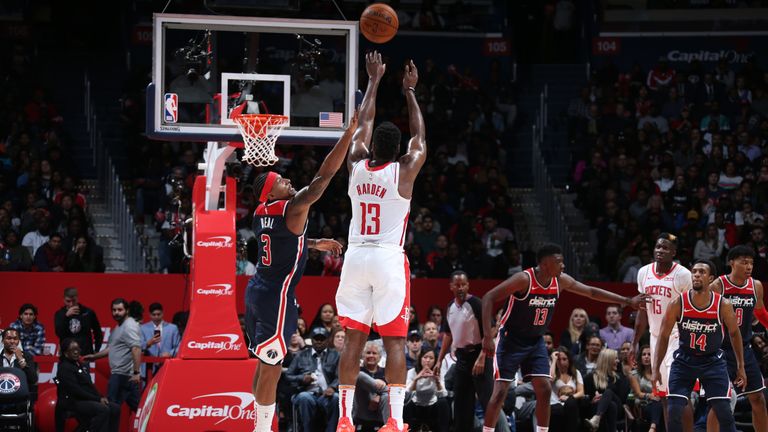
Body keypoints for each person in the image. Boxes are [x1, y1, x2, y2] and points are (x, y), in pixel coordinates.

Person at [245, 110, 356, 432]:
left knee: (263, 361)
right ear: (271, 193)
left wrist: (314, 243)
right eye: (281, 182)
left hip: (257, 290)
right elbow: (324, 177)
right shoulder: (293, 207)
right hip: (277, 297)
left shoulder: (260, 212)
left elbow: (283, 241)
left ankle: (257, 424)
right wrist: (347, 136)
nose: (288, 181)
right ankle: (262, 430)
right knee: (272, 365)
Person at [335, 52, 426, 432]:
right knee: (394, 342)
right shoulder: (404, 170)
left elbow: (362, 124)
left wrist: (373, 81)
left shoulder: (356, 164)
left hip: (356, 256)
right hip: (388, 259)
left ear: (373, 146)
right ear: (398, 149)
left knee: (353, 340)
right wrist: (409, 91)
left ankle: (344, 419)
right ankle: (395, 421)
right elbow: (420, 138)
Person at [480, 243, 648, 432]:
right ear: (545, 264)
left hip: (535, 340)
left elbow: (591, 292)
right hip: (511, 339)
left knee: (544, 389)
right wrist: (487, 336)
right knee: (500, 392)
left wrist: (627, 301)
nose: (563, 265)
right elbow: (488, 297)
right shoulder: (524, 279)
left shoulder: (560, 281)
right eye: (559, 262)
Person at [653, 259, 746, 432]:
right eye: (694, 271)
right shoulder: (678, 303)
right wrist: (655, 368)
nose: (696, 275)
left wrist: (741, 366)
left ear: (711, 278)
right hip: (684, 360)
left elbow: (734, 334)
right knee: (673, 410)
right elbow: (664, 336)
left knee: (724, 412)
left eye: (701, 272)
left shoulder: (723, 305)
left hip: (712, 361)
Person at [630, 233, 692, 427]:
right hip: (655, 336)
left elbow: (691, 309)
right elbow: (642, 311)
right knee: (663, 395)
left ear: (674, 253)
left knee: (679, 394)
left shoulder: (683, 275)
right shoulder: (643, 272)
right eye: (658, 247)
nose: (660, 251)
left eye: (665, 248)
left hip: (677, 337)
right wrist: (634, 343)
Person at [435, 270, 509, 432]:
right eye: (457, 285)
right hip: (462, 359)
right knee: (461, 406)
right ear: (451, 287)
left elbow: (491, 330)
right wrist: (439, 360)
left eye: (464, 284)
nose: (461, 288)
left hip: (480, 355)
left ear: (468, 285)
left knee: (489, 402)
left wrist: (482, 356)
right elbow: (448, 335)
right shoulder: (450, 307)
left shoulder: (476, 303)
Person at [707, 246, 768, 432]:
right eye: (744, 262)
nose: (749, 266)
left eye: (751, 263)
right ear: (731, 263)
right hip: (720, 350)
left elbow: (760, 313)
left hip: (744, 349)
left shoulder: (756, 286)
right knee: (721, 402)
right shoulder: (718, 285)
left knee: (758, 398)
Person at [83, 298, 142, 412]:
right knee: (137, 409)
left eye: (120, 310)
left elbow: (136, 348)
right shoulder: (119, 326)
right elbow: (111, 348)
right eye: (114, 310)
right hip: (121, 375)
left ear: (127, 310)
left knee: (110, 408)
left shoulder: (128, 326)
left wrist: (136, 373)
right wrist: (94, 357)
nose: (116, 313)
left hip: (123, 375)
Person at [55, 339, 120, 432]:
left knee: (115, 408)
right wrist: (97, 399)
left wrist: (100, 397)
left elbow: (89, 385)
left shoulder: (79, 365)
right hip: (73, 402)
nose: (76, 352)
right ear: (66, 353)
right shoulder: (65, 367)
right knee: (103, 410)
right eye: (73, 350)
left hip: (85, 400)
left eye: (77, 349)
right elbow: (76, 391)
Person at [284, 326, 340, 432]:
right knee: (304, 398)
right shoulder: (301, 355)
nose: (319, 341)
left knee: (336, 398)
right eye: (316, 338)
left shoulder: (335, 355)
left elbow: (340, 376)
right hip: (307, 392)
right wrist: (302, 378)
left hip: (327, 394)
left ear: (328, 340)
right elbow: (288, 375)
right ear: (311, 339)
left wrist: (332, 387)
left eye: (322, 339)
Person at [583, 349, 629, 432]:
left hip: (618, 407)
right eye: (615, 358)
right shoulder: (590, 377)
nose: (618, 361)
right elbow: (585, 399)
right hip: (597, 407)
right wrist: (592, 400)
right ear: (608, 360)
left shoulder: (619, 377)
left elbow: (623, 399)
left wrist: (605, 397)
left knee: (608, 392)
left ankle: (597, 418)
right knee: (611, 405)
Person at [404, 348, 449, 432]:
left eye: (431, 358)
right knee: (407, 404)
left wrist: (437, 380)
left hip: (432, 406)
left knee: (443, 402)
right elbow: (407, 393)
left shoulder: (438, 373)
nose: (428, 360)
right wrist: (416, 379)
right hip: (416, 405)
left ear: (435, 361)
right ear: (420, 359)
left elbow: (443, 394)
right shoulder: (412, 372)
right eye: (425, 357)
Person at [54, 287, 103, 356]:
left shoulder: (88, 312)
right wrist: (66, 317)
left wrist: (97, 350)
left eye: (73, 301)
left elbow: (98, 332)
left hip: (85, 355)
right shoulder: (60, 314)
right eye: (68, 301)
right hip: (66, 355)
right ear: (63, 299)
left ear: (77, 298)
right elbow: (59, 333)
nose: (71, 304)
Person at [139, 302, 180, 375]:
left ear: (162, 313)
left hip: (167, 366)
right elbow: (138, 346)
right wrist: (148, 343)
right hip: (149, 368)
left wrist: (169, 353)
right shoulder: (143, 328)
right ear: (149, 315)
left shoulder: (172, 328)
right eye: (154, 315)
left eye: (158, 314)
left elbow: (179, 346)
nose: (156, 317)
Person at [549, 347, 584, 432]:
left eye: (564, 359)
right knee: (558, 409)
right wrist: (553, 360)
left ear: (569, 360)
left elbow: (581, 392)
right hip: (555, 404)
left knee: (571, 404)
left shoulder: (576, 373)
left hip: (570, 405)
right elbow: (550, 379)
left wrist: (569, 398)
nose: (561, 362)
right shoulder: (553, 372)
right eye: (559, 359)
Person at [629, 345, 662, 432]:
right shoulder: (634, 374)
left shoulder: (659, 374)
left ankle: (653, 427)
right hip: (643, 404)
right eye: (644, 354)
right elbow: (637, 394)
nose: (646, 357)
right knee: (658, 408)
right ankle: (653, 427)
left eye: (649, 354)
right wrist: (650, 396)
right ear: (640, 358)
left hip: (658, 402)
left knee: (661, 406)